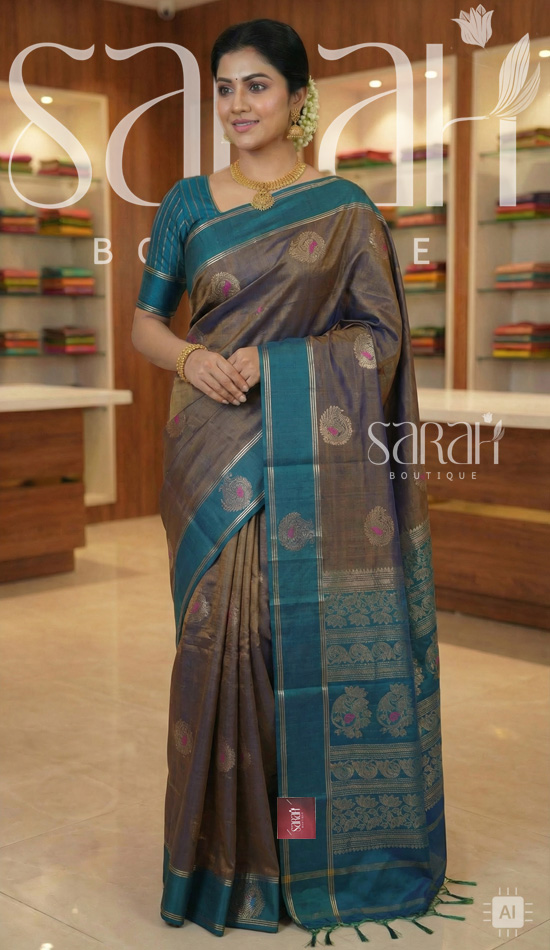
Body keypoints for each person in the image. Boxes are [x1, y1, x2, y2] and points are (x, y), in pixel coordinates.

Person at [132, 17, 476, 944]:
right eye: (224, 88)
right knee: (218, 642)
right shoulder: (186, 204)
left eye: (257, 86)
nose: (237, 105)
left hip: (309, 455)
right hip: (208, 449)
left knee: (294, 654)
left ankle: (302, 850)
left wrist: (279, 363)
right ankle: (223, 864)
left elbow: (381, 339)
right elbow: (145, 325)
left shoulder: (346, 210)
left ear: (297, 98)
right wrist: (191, 360)